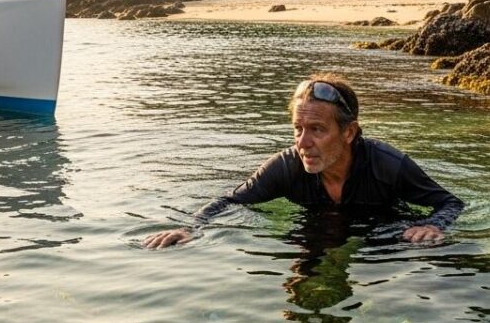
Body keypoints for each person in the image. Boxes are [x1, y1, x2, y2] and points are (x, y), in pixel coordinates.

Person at [142, 74, 464, 249]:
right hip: (316, 231)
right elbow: (231, 200)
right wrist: (191, 228)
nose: (302, 142)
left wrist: (434, 225)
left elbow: (450, 203)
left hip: (384, 236)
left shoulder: (387, 165)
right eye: (298, 128)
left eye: (317, 130)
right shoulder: (286, 167)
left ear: (349, 132)